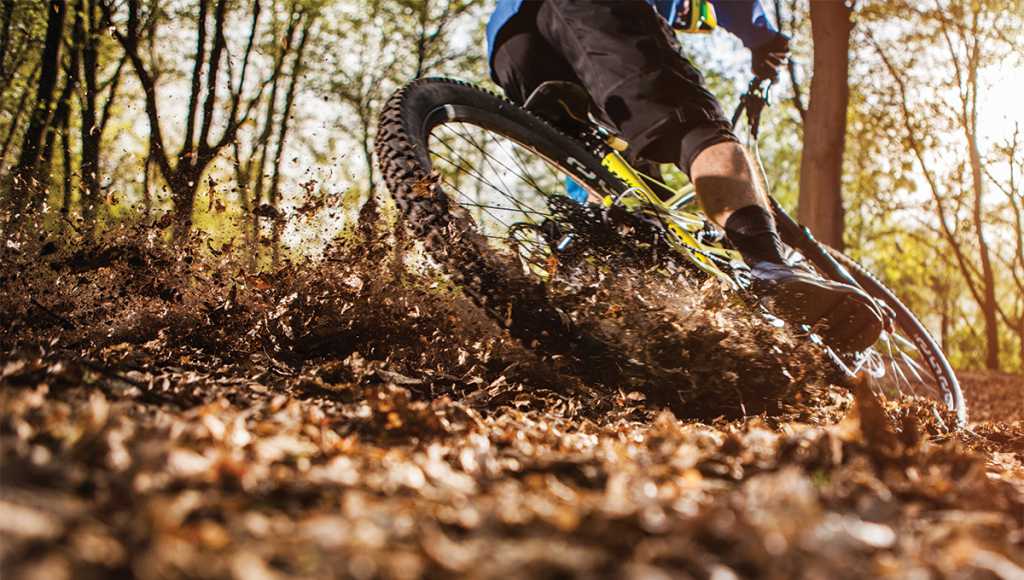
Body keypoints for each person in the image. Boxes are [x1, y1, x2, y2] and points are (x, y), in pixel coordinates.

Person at [485, 0, 883, 351]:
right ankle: (769, 267)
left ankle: (590, 303)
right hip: (594, 11)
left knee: (608, 181)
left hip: (510, 44)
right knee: (695, 128)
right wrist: (761, 37)